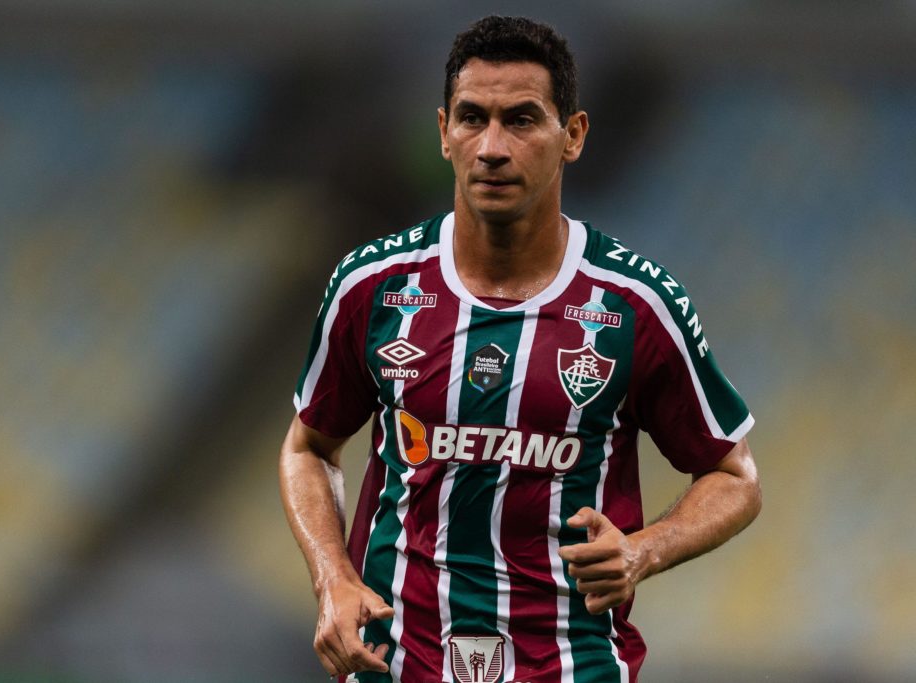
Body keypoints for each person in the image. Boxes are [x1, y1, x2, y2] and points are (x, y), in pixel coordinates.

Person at [279, 15, 761, 683]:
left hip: (572, 664)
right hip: (399, 663)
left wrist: (643, 550)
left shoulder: (636, 304)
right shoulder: (374, 286)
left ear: (574, 136)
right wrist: (332, 579)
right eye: (472, 117)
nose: (492, 147)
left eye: (523, 120)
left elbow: (734, 477)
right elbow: (308, 447)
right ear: (444, 131)